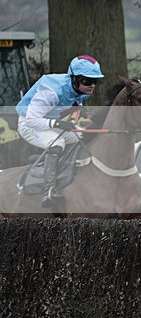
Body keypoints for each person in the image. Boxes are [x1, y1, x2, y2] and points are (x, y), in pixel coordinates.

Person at [16, 54, 104, 206]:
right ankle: (48, 190)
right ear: (74, 78)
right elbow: (32, 119)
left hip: (47, 122)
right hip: (29, 124)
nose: (92, 85)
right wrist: (58, 124)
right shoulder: (51, 92)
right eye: (87, 81)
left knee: (79, 138)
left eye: (95, 81)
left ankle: (61, 169)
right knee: (58, 143)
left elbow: (74, 107)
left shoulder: (80, 89)